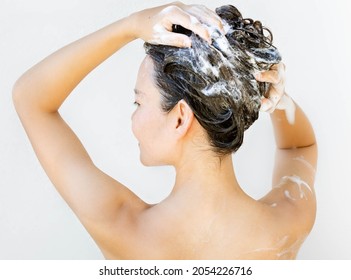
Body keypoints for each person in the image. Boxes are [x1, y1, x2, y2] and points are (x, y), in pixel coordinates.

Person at [12, 2, 317, 259]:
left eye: (138, 102)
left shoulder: (122, 227)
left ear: (180, 118)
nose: (133, 119)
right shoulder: (286, 222)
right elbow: (299, 148)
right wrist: (266, 94)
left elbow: (31, 99)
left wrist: (130, 25)